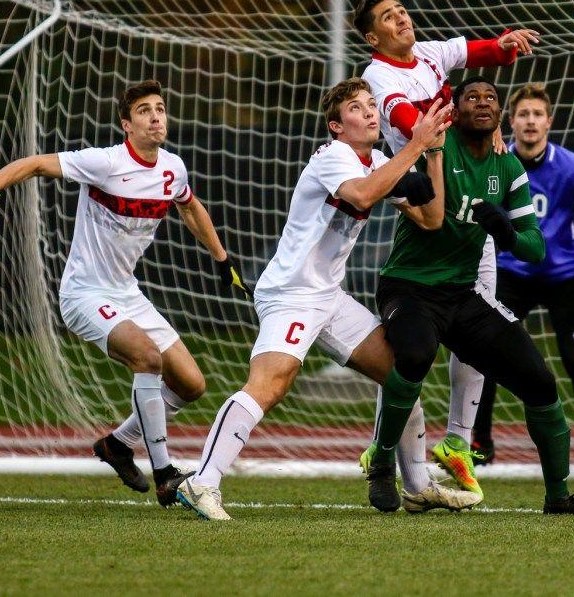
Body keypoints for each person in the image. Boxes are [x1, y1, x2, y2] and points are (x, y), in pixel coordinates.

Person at [176, 78, 478, 520]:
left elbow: (432, 219)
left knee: (402, 375)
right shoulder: (333, 157)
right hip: (291, 293)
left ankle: (416, 487)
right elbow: (360, 193)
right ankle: (202, 482)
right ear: (336, 126)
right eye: (357, 108)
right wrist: (414, 146)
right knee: (270, 384)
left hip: (328, 297)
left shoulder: (376, 159)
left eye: (372, 104)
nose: (371, 112)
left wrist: (433, 150)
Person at [0, 79, 249, 506]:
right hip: (84, 294)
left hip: (127, 293)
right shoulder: (104, 162)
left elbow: (190, 206)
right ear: (127, 124)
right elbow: (35, 163)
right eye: (145, 110)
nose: (156, 116)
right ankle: (164, 473)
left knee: (191, 384)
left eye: (160, 108)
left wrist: (222, 259)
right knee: (147, 357)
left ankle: (118, 445)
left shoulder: (172, 168)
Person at [363, 78, 574, 515]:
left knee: (540, 381)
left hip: (462, 293)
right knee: (415, 355)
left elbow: (535, 248)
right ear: (454, 110)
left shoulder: (509, 168)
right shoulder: (436, 144)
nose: (482, 103)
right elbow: (408, 96)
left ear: (499, 117)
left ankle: (558, 496)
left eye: (491, 98)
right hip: (409, 286)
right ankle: (381, 462)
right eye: (471, 97)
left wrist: (507, 231)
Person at [353, 0, 539, 498]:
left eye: (402, 11)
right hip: (418, 197)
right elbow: (414, 124)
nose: (402, 20)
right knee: (411, 350)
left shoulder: (431, 53)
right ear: (374, 36)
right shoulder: (378, 76)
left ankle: (457, 445)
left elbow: (483, 52)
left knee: (478, 324)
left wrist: (507, 44)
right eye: (389, 17)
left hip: (460, 192)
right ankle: (382, 449)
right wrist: (479, 123)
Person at [472, 84, 574, 484]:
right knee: (484, 355)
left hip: (564, 275)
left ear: (549, 122)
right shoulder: (495, 165)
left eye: (538, 114)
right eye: (523, 114)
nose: (530, 121)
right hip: (513, 272)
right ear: (511, 122)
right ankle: (480, 443)